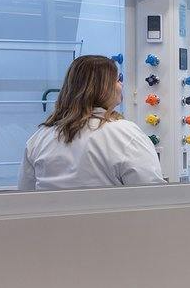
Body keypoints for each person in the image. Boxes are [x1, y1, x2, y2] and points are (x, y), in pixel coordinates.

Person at [18, 55, 163, 190]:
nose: (121, 85)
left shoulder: (40, 138)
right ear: (103, 88)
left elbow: (25, 198)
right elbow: (152, 197)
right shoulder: (125, 134)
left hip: (51, 217)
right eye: (118, 80)